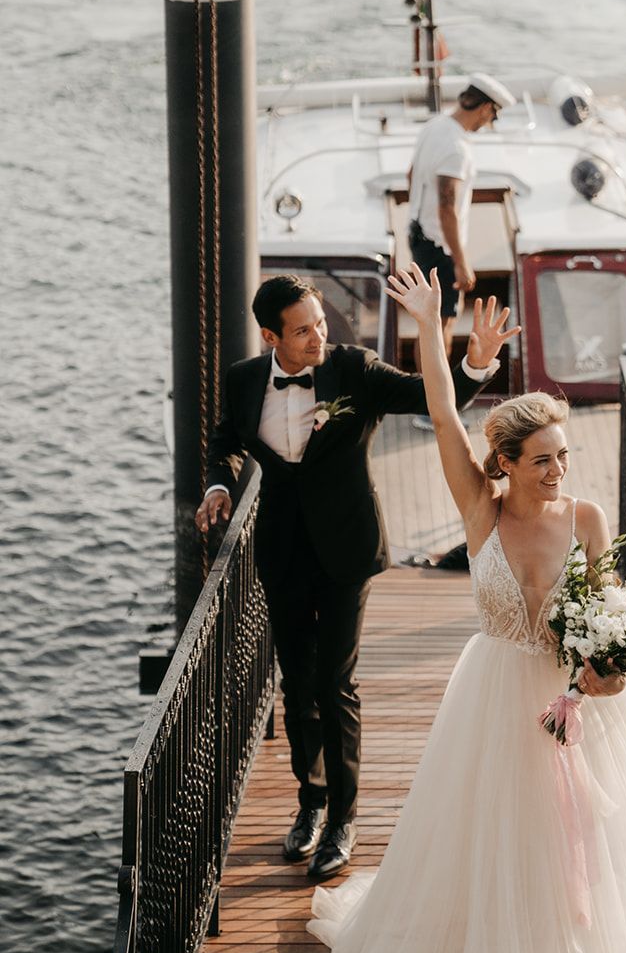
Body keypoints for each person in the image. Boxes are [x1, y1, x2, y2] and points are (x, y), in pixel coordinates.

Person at [309, 264, 626, 953]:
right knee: (497, 849)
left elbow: (608, 612)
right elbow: (444, 413)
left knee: (580, 854)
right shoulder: (479, 510)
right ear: (505, 463)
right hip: (495, 699)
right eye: (541, 459)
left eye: (563, 455)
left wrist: (609, 673)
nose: (558, 470)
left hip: (577, 705)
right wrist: (430, 327)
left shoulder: (587, 517)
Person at [195, 273, 513, 880]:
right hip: (282, 550)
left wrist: (475, 362)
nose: (318, 336)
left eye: (320, 322)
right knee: (296, 685)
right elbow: (226, 441)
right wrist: (218, 485)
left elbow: (430, 398)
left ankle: (343, 818)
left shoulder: (354, 369)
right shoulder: (243, 379)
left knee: (334, 684)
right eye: (302, 330)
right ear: (270, 337)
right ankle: (310, 802)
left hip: (348, 548)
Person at [407, 73, 516, 357]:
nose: (489, 122)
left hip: (419, 234)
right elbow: (447, 208)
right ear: (485, 108)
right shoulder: (457, 149)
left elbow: (411, 175)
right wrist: (461, 262)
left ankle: (426, 383)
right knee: (441, 324)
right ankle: (435, 385)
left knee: (428, 323)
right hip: (439, 247)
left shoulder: (434, 126)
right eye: (493, 116)